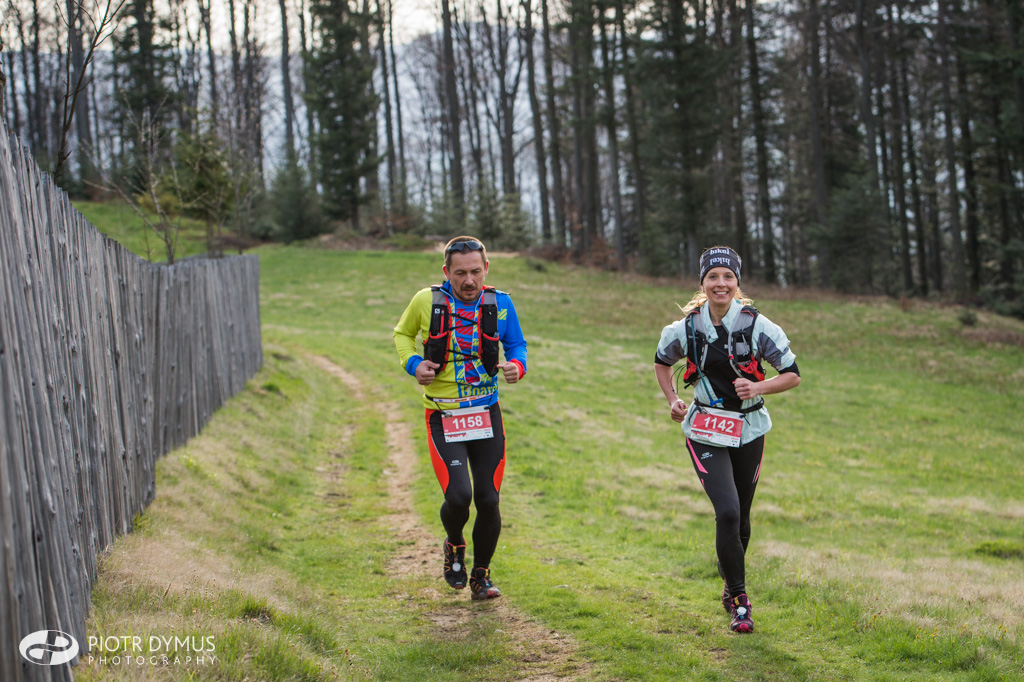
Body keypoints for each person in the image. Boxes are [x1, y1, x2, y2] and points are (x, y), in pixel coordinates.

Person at [653, 246, 800, 633]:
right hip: (705, 429)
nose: (721, 283)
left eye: (728, 277)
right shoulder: (684, 329)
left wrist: (758, 387)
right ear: (702, 283)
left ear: (737, 282)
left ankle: (728, 580)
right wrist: (672, 400)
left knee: (742, 517)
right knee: (729, 512)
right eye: (713, 276)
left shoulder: (759, 327)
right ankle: (739, 601)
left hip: (750, 428)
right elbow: (662, 362)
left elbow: (793, 374)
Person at [393, 236, 527, 600]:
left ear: (486, 268)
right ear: (446, 271)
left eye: (475, 272)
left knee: (488, 499)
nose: (469, 281)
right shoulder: (426, 301)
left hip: (486, 413)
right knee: (458, 497)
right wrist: (413, 363)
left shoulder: (500, 303)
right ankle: (454, 544)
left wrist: (517, 366)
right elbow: (402, 334)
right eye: (460, 273)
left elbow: (517, 344)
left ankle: (481, 576)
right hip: (443, 414)